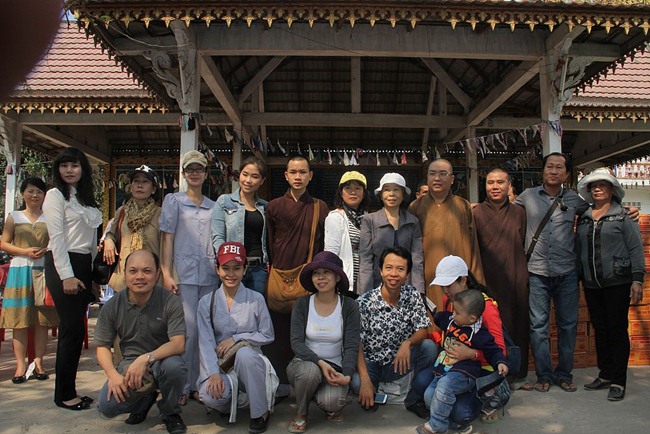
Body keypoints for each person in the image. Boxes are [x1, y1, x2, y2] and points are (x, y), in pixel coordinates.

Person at [96, 250, 188, 434]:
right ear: (124, 273)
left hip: (162, 360)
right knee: (107, 407)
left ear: (157, 274)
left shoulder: (170, 301)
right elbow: (102, 347)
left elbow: (178, 344)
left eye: (147, 271)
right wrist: (113, 375)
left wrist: (146, 359)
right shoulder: (113, 306)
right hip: (129, 365)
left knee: (175, 368)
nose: (140, 277)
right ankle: (144, 398)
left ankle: (170, 412)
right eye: (133, 271)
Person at [411, 256, 507, 426]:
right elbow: (450, 330)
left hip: (478, 370)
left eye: (448, 286)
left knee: (462, 413)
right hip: (450, 366)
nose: (445, 291)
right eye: (442, 286)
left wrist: (472, 354)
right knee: (420, 383)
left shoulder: (485, 308)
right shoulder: (449, 301)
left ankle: (487, 398)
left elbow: (500, 350)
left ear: (463, 280)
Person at [576, 168, 646, 401]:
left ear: (612, 189)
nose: (598, 189)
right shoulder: (584, 216)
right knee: (601, 329)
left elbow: (635, 248)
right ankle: (605, 374)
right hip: (592, 283)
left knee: (616, 330)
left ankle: (618, 380)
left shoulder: (624, 216)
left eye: (603, 185)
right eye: (594, 186)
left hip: (618, 282)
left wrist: (637, 279)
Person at [42, 147, 103, 410]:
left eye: (74, 165)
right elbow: (56, 239)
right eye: (64, 165)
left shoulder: (86, 199)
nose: (69, 170)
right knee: (71, 329)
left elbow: (91, 242)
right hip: (62, 263)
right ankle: (64, 395)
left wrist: (92, 277)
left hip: (83, 265)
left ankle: (69, 389)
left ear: (83, 169)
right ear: (57, 169)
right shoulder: (55, 196)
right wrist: (66, 276)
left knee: (78, 330)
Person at [197, 242, 275, 434]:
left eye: (237, 268)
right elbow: (205, 341)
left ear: (245, 269)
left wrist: (237, 338)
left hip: (250, 363)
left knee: (244, 354)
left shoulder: (256, 299)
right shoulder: (207, 302)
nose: (230, 274)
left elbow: (267, 334)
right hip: (222, 364)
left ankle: (260, 412)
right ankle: (233, 401)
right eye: (225, 268)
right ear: (217, 269)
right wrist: (213, 373)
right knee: (210, 395)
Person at [160, 150, 218, 404]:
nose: (194, 173)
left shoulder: (214, 206)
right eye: (190, 169)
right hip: (182, 276)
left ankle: (200, 383)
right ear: (183, 174)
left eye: (199, 169)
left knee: (206, 331)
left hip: (209, 275)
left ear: (205, 174)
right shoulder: (174, 201)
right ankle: (182, 385)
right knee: (187, 331)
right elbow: (167, 238)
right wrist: (166, 272)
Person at [265, 156, 328, 385]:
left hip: (307, 280)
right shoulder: (274, 206)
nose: (298, 176)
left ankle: (306, 382)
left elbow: (323, 245)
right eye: (293, 172)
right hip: (280, 277)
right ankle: (279, 384)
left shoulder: (319, 207)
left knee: (306, 333)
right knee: (279, 334)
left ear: (310, 176)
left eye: (302, 172)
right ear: (286, 176)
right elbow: (269, 244)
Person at [351, 246, 436, 414]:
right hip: (372, 363)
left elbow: (423, 330)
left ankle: (414, 398)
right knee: (357, 384)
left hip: (399, 363)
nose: (394, 274)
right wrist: (365, 379)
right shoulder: (364, 302)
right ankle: (373, 391)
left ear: (407, 274)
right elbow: (356, 343)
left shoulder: (412, 295)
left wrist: (407, 343)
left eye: (400, 269)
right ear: (381, 271)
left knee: (429, 347)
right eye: (389, 268)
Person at [287, 251, 360, 432]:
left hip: (335, 367)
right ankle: (301, 413)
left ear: (337, 277)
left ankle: (315, 395)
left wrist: (347, 374)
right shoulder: (302, 304)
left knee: (333, 402)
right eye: (316, 273)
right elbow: (296, 343)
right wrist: (319, 362)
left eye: (326, 272)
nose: (320, 277)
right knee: (310, 372)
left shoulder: (349, 306)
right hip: (304, 364)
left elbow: (352, 344)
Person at [0, 178, 58, 383]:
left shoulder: (50, 217)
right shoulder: (14, 217)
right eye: (31, 191)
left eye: (39, 192)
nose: (35, 195)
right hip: (19, 270)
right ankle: (20, 366)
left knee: (42, 319)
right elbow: (4, 243)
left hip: (43, 269)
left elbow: (57, 241)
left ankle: (38, 362)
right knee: (20, 320)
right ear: (23, 193)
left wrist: (46, 249)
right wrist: (25, 251)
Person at [473, 168, 529, 378]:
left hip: (515, 276)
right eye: (490, 182)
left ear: (509, 186)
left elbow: (523, 240)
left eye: (500, 182)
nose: (495, 187)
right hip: (487, 279)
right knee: (489, 326)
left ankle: (515, 370)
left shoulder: (519, 213)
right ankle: (490, 371)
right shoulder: (476, 213)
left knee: (516, 324)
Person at [409, 159, 484, 313]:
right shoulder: (415, 207)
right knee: (431, 316)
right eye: (432, 174)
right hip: (428, 274)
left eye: (443, 174)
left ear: (452, 179)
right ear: (427, 178)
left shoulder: (463, 206)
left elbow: (473, 244)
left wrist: (476, 277)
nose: (437, 178)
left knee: (461, 314)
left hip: (459, 275)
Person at [358, 173, 424, 293]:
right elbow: (366, 259)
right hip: (377, 286)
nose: (391, 194)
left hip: (405, 287)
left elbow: (416, 259)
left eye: (396, 190)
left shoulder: (413, 221)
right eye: (387, 190)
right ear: (381, 195)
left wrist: (418, 292)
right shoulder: (369, 220)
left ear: (403, 194)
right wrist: (365, 293)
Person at [211, 157, 269, 295]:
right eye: (245, 174)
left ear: (262, 181)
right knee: (229, 306)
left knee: (256, 306)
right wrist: (227, 262)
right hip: (232, 268)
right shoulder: (224, 202)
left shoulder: (266, 207)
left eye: (255, 176)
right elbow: (218, 237)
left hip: (258, 270)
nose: (248, 180)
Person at [103, 165, 163, 293]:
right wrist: (108, 240)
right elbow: (110, 233)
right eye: (136, 181)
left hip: (151, 279)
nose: (139, 185)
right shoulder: (122, 212)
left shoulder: (161, 214)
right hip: (124, 278)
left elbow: (167, 247)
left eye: (145, 182)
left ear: (153, 189)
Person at [324, 171, 370, 295]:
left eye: (358, 188)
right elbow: (331, 253)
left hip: (366, 282)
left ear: (364, 193)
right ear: (341, 192)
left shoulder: (368, 217)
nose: (353, 192)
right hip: (345, 282)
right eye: (348, 188)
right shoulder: (335, 217)